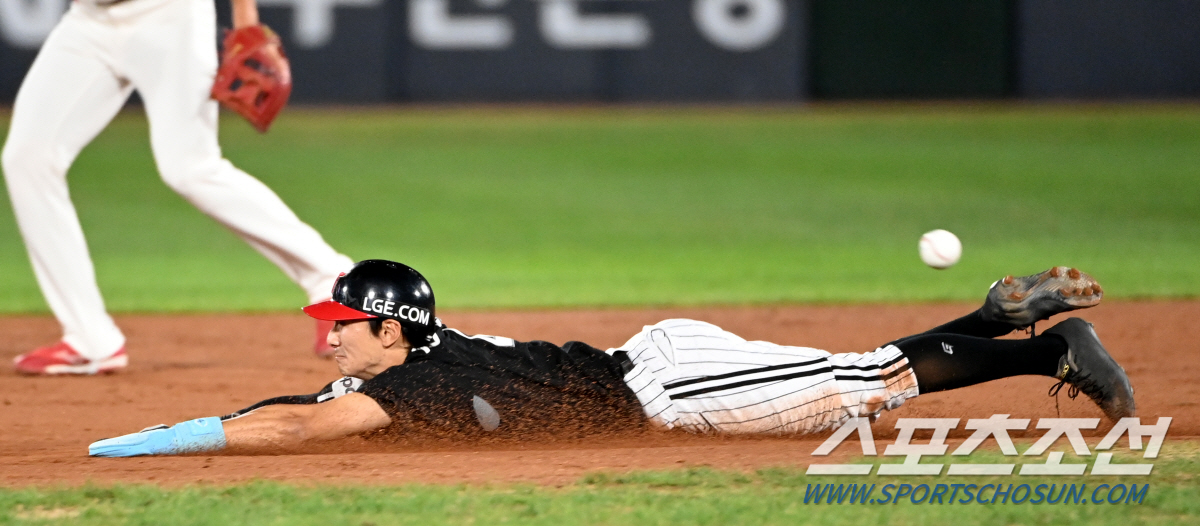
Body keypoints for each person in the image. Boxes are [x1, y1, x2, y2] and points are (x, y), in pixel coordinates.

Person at [87, 260, 1135, 457]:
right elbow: (300, 397)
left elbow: (309, 422)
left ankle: (1048, 347)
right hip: (655, 354)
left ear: (391, 332)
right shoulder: (414, 356)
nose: (329, 335)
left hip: (671, 390)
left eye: (343, 323)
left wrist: (158, 441)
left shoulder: (420, 383)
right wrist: (221, 418)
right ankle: (988, 316)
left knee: (862, 386)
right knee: (849, 368)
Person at [2, 0, 353, 375]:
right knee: (28, 159)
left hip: (168, 16)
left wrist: (246, 23)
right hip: (88, 21)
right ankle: (90, 338)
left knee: (190, 167)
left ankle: (329, 277)